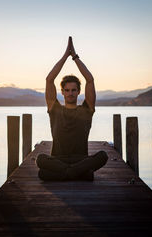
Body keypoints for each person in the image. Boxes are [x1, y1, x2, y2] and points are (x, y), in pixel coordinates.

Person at [36, 36, 108, 181]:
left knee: (103, 155)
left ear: (78, 91)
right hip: (58, 160)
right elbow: (49, 79)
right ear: (61, 92)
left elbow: (90, 80)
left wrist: (74, 56)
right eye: (67, 90)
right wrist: (65, 56)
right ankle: (76, 173)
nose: (70, 93)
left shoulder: (86, 110)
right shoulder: (55, 109)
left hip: (80, 160)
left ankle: (68, 173)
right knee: (40, 159)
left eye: (73, 90)